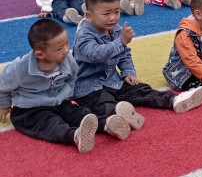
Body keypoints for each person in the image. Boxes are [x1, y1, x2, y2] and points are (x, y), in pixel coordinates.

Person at [74, 0, 202, 125]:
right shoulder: (83, 35)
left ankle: (173, 100)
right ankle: (119, 118)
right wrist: (121, 42)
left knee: (141, 90)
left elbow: (124, 54)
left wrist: (128, 72)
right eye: (106, 14)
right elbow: (96, 54)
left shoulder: (115, 29)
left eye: (117, 12)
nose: (112, 18)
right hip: (89, 88)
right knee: (102, 103)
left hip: (113, 82)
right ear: (89, 16)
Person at [0, 18, 127, 153]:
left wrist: (68, 92)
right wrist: (4, 105)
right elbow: (3, 85)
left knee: (79, 113)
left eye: (67, 43)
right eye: (59, 48)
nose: (66, 50)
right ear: (40, 54)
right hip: (30, 108)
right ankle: (75, 136)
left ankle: (106, 124)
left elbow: (73, 76)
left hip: (59, 101)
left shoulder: (67, 59)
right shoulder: (19, 68)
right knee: (50, 123)